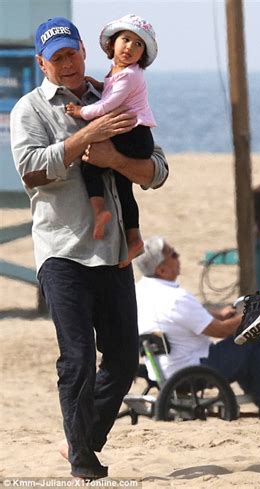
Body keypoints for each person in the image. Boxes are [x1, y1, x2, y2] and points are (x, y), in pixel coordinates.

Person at [10, 17, 169, 479]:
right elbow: (32, 171)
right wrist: (83, 139)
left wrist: (115, 157)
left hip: (115, 252)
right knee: (76, 358)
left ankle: (80, 442)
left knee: (123, 362)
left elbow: (156, 169)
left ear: (84, 50)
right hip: (61, 251)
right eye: (56, 58)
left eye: (72, 53)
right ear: (42, 63)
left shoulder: (115, 92)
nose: (67, 64)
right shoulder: (30, 110)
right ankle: (84, 462)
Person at [134, 236, 260, 418]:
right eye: (173, 254)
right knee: (258, 335)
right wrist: (256, 315)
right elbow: (221, 331)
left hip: (163, 369)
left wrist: (219, 313)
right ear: (162, 270)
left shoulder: (141, 291)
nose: (178, 256)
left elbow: (180, 316)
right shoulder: (176, 299)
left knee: (242, 342)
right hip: (193, 369)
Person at [66, 14, 158, 260]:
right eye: (126, 39)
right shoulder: (119, 72)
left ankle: (99, 211)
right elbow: (112, 91)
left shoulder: (129, 75)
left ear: (142, 55)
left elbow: (107, 105)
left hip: (134, 135)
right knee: (122, 186)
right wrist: (99, 82)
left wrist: (80, 111)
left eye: (138, 44)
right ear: (112, 44)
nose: (130, 47)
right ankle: (134, 238)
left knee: (91, 161)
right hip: (135, 135)